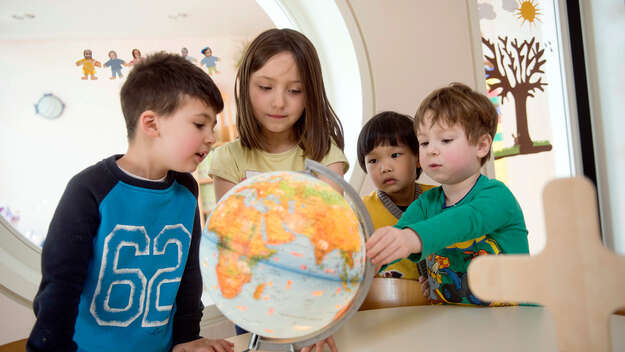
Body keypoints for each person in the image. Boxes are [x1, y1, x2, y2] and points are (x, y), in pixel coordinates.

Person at [27, 52, 234, 352]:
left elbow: (188, 276)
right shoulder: (89, 190)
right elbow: (60, 286)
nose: (211, 137)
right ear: (151, 124)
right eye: (200, 125)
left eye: (212, 127)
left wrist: (187, 338)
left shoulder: (187, 190)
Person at [208, 28, 348, 352]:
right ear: (246, 88)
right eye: (265, 87)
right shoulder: (227, 159)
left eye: (295, 90)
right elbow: (232, 246)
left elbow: (330, 244)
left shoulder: (326, 156)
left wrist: (321, 316)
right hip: (252, 298)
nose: (279, 102)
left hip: (315, 299)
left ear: (310, 93)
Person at [366, 82, 529, 306]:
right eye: (423, 142)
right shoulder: (425, 204)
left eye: (445, 140)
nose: (431, 149)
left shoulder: (497, 197)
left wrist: (410, 238)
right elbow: (392, 243)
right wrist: (363, 263)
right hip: (458, 326)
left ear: (481, 145)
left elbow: (462, 221)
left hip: (518, 322)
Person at [357, 111, 433, 281]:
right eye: (373, 161)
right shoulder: (361, 212)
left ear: (418, 157)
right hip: (387, 302)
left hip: (441, 301)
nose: (385, 168)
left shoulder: (440, 199)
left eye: (395, 155)